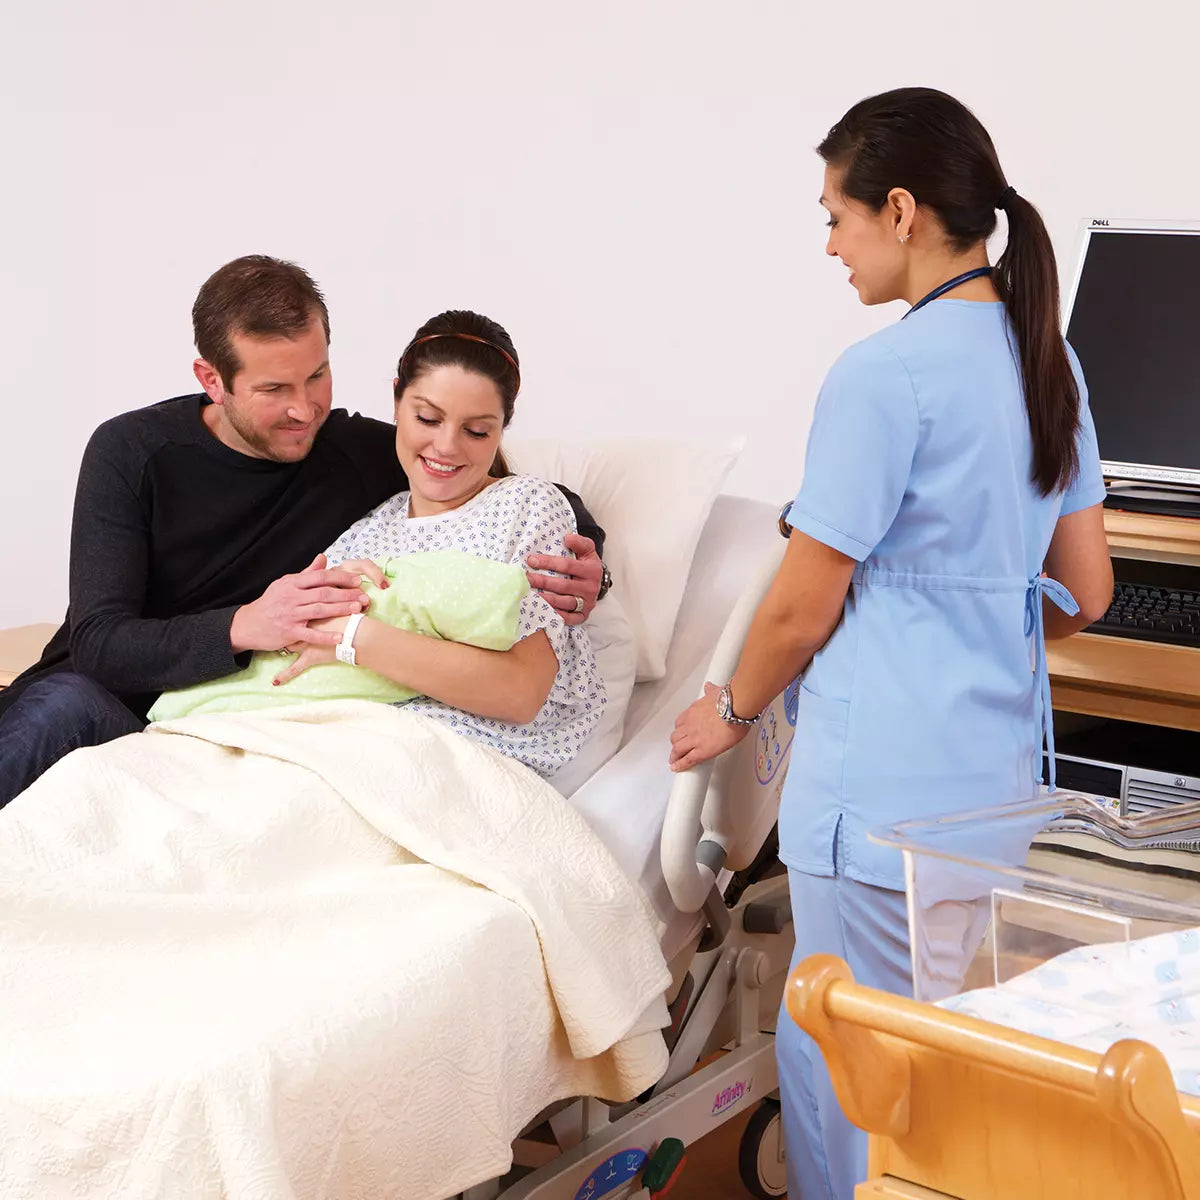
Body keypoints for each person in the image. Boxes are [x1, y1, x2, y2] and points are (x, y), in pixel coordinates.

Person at [668, 87, 1114, 1198]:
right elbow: (1089, 591)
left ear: (901, 211)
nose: (831, 245)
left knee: (850, 1072)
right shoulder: (1048, 360)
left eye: (837, 216)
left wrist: (724, 713)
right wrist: (973, 611)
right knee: (942, 1058)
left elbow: (799, 608)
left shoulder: (883, 377)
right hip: (991, 794)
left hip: (877, 800)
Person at [0, 256, 609, 804]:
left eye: (317, 376)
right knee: (60, 707)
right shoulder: (132, 452)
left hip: (236, 736)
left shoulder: (351, 452)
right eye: (274, 389)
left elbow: (500, 489)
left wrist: (588, 569)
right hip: (109, 708)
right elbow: (100, 643)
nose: (304, 409)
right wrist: (246, 623)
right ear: (212, 380)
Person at [265, 307, 604, 774]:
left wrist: (356, 636)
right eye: (427, 418)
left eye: (476, 431)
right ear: (396, 402)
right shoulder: (369, 529)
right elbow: (296, 656)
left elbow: (519, 693)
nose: (446, 446)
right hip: (343, 742)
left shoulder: (526, 507)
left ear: (502, 428)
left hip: (458, 758)